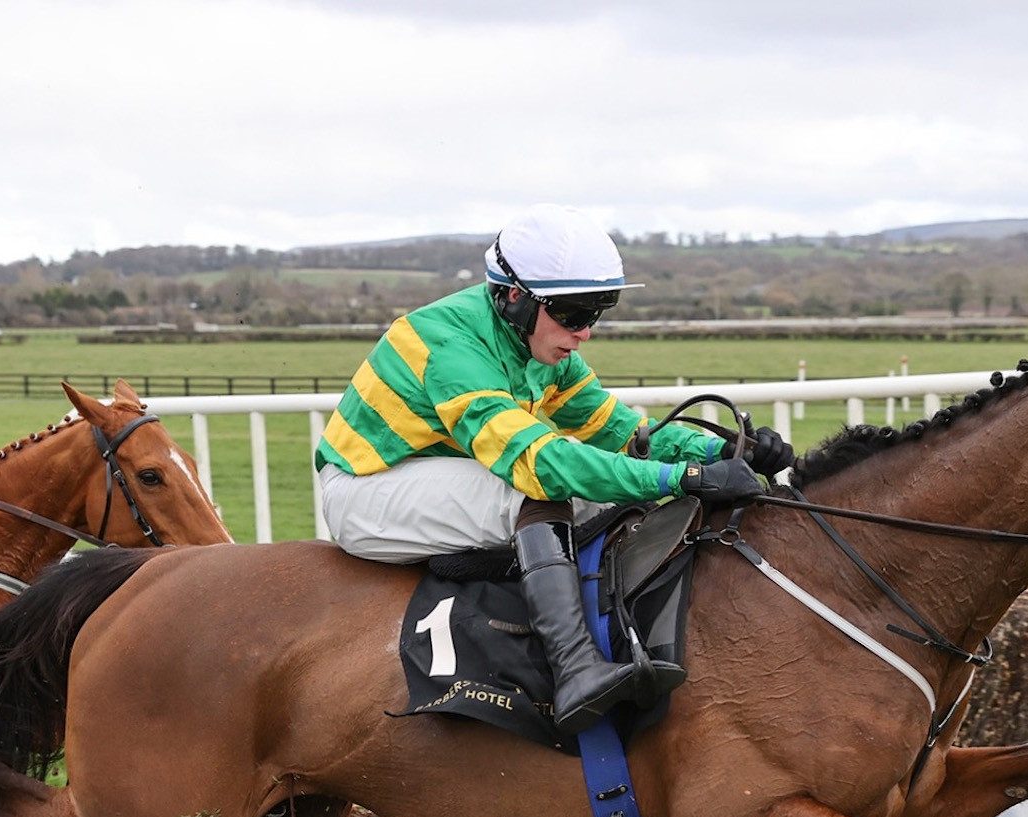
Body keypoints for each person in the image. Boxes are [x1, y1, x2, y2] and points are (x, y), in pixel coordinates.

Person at [316, 204, 792, 733]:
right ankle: (575, 669)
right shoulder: (449, 345)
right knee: (534, 496)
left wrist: (721, 451)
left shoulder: (545, 348)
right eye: (572, 313)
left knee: (603, 494)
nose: (585, 332)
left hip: (439, 480)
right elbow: (537, 464)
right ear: (514, 297)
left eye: (596, 312)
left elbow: (621, 434)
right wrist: (681, 480)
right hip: (366, 491)